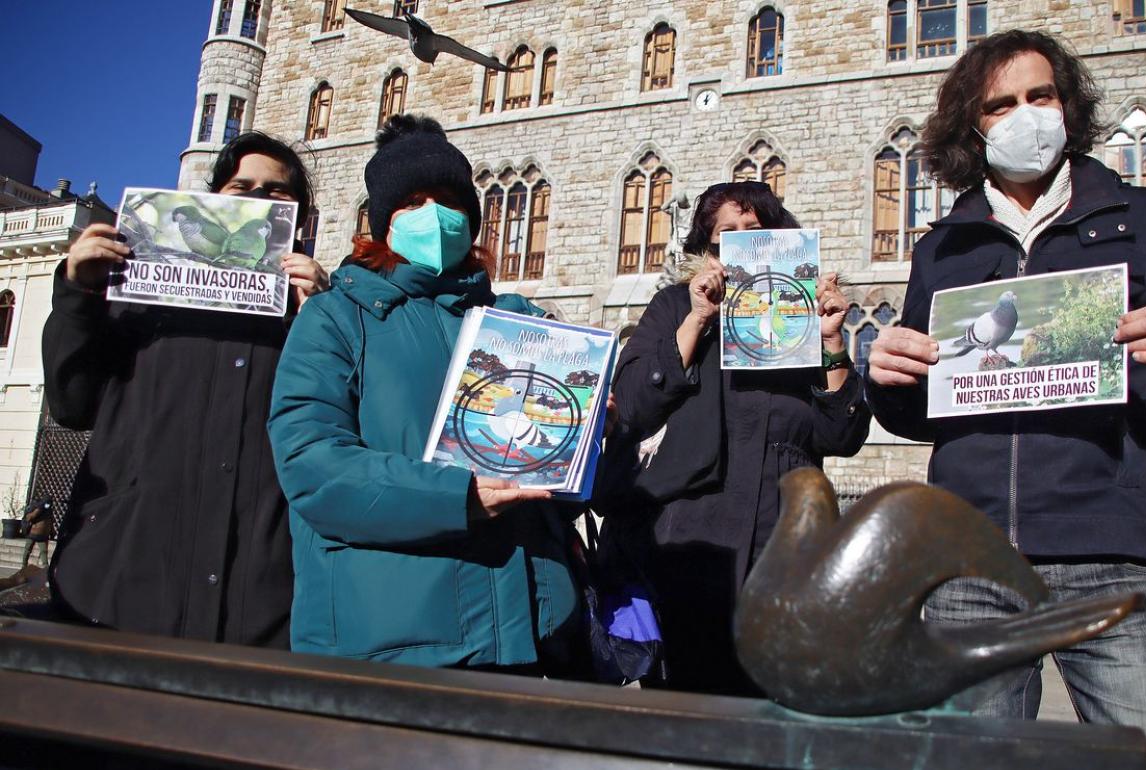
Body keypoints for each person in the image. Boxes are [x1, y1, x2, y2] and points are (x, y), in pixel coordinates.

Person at [865, 30, 1146, 770]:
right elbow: (921, 413)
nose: (1024, 114)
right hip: (967, 565)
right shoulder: (941, 246)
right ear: (974, 129)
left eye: (1039, 96)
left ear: (1066, 105)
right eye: (1001, 104)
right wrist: (888, 374)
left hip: (1105, 554)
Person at [267, 114, 583, 673]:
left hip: (537, 634)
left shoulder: (519, 321)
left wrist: (589, 432)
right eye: (413, 202)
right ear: (384, 222)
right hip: (397, 643)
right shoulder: (336, 317)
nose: (433, 217)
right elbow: (311, 463)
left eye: (448, 201)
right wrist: (456, 496)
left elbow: (569, 484)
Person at [42, 131, 328, 647]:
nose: (258, 200)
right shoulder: (137, 291)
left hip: (262, 602)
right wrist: (79, 292)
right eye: (241, 188)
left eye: (277, 193)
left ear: (301, 221)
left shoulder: (311, 315)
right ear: (212, 199)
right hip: (119, 585)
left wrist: (322, 322)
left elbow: (339, 429)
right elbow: (71, 404)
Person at [606, 181, 871, 695]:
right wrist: (698, 319)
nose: (743, 240)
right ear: (708, 251)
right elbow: (633, 403)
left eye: (756, 230)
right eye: (728, 233)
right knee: (692, 704)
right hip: (692, 538)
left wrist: (833, 341)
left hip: (788, 543)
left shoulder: (799, 318)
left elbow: (841, 433)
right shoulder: (673, 306)